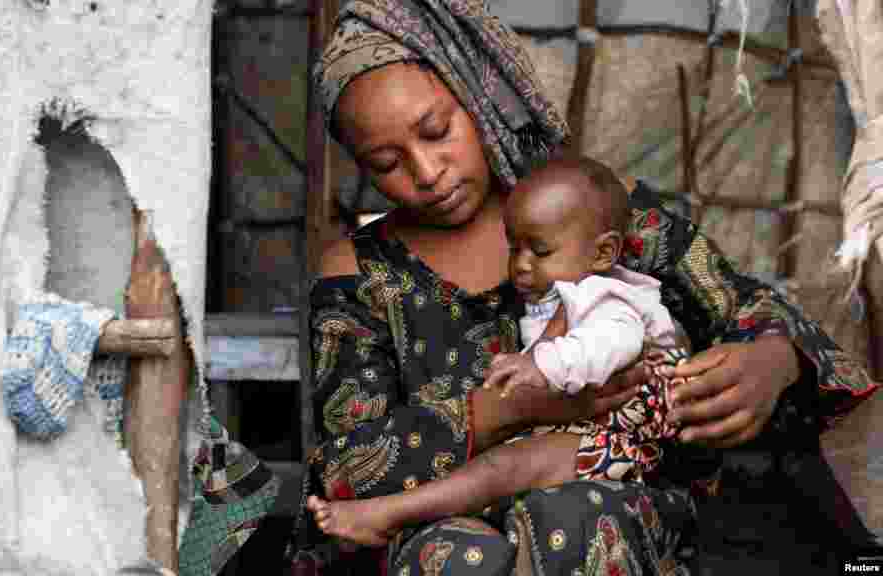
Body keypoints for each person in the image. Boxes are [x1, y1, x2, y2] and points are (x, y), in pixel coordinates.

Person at [287, 0, 880, 574]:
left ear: (475, 91)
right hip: (433, 524)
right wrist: (512, 406)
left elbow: (748, 307)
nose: (427, 171)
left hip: (606, 502)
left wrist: (772, 360)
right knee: (453, 556)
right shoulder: (358, 276)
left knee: (574, 517)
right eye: (387, 163)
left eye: (437, 131)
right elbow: (347, 465)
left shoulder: (591, 210)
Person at [305, 155, 692, 549]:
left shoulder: (611, 296)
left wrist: (542, 368)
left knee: (498, 470)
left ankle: (388, 514)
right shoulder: (567, 293)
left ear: (604, 252)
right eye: (514, 249)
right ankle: (391, 513)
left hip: (620, 443)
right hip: (585, 436)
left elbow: (614, 344)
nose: (521, 266)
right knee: (492, 474)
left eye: (539, 252)